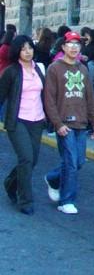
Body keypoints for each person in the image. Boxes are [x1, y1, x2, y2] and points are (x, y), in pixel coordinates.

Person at [44, 31, 94, 215]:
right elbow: (49, 99)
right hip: (64, 124)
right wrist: (57, 123)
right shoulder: (54, 68)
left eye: (78, 44)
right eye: (71, 43)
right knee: (70, 162)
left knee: (79, 162)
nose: (74, 47)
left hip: (81, 123)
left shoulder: (83, 69)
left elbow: (90, 98)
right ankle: (66, 200)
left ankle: (53, 178)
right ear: (63, 47)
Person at [0, 35, 46, 214]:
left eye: (30, 48)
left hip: (37, 120)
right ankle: (25, 200)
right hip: (17, 120)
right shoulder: (11, 71)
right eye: (23, 49)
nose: (28, 52)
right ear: (17, 51)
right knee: (26, 157)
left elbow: (45, 94)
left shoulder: (39, 68)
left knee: (32, 160)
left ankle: (10, 182)